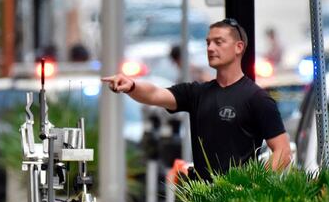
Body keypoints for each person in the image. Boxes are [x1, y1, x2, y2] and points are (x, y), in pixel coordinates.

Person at [103, 18, 291, 180]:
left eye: (218, 42)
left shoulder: (257, 98)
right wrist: (132, 86)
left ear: (238, 47)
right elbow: (154, 94)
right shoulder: (197, 93)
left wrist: (253, 186)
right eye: (208, 42)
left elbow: (282, 152)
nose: (210, 48)